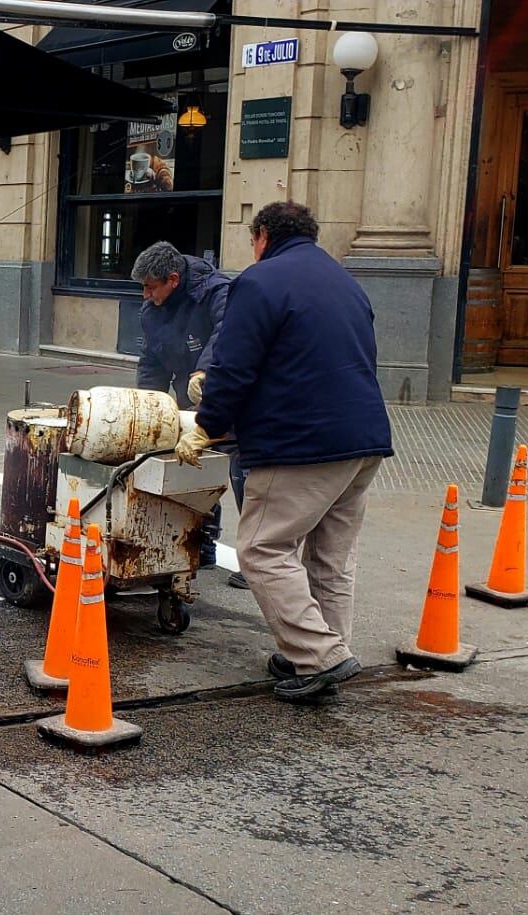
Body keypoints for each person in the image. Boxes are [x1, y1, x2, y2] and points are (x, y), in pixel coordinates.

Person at [178, 201, 393, 703]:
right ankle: (319, 652)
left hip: (302, 443)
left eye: (252, 241)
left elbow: (234, 366)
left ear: (263, 236)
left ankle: (321, 655)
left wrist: (206, 425)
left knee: (261, 548)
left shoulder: (260, 281)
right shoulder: (345, 281)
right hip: (363, 440)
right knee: (331, 558)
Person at [130, 240, 246, 587]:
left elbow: (232, 332)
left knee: (243, 476)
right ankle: (202, 542)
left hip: (228, 399)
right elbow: (151, 360)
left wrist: (206, 370)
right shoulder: (151, 311)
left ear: (173, 279)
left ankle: (259, 561)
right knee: (194, 472)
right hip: (189, 401)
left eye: (151, 287)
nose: (146, 295)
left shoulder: (217, 293)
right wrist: (147, 405)